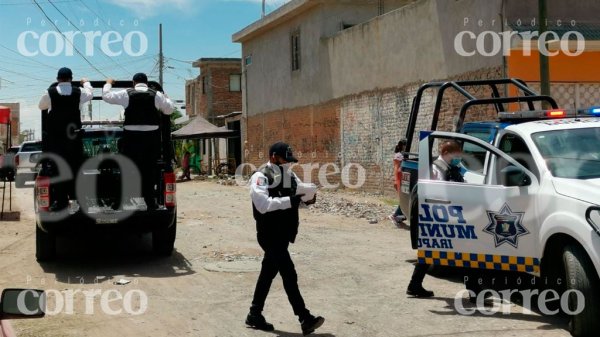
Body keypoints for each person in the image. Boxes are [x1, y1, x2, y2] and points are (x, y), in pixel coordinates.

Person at [246, 142, 324, 335]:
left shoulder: (289, 175)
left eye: (289, 161)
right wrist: (292, 200)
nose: (287, 164)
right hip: (269, 234)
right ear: (273, 157)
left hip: (283, 235)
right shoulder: (260, 176)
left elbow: (296, 200)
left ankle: (254, 313)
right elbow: (263, 205)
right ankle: (304, 318)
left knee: (268, 273)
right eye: (284, 160)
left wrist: (308, 200)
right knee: (289, 273)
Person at [102, 73, 174, 207]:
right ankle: (150, 201)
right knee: (149, 170)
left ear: (133, 83)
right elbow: (169, 110)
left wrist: (108, 83)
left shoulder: (126, 93)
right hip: (151, 139)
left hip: (132, 139)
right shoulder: (156, 94)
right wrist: (167, 98)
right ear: (146, 83)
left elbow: (106, 96)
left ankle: (119, 201)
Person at [407, 139, 464, 298]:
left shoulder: (450, 168)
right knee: (432, 251)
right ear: (445, 154)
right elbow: (437, 192)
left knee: (431, 251)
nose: (457, 159)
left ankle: (414, 284)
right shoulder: (436, 169)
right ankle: (414, 285)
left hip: (444, 215)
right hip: (438, 216)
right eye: (455, 155)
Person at [38, 67, 93, 209]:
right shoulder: (78, 92)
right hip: (73, 139)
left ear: (57, 79)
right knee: (75, 168)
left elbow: (41, 106)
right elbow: (90, 94)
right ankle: (76, 200)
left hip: (56, 141)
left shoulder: (50, 92)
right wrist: (86, 82)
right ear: (71, 79)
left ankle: (61, 202)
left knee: (57, 169)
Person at [389, 139, 407, 225]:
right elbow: (396, 168)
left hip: (402, 179)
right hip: (399, 179)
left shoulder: (403, 155)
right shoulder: (398, 155)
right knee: (403, 199)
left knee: (403, 198)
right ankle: (395, 215)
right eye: (405, 145)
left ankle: (400, 215)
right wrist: (396, 180)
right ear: (402, 146)